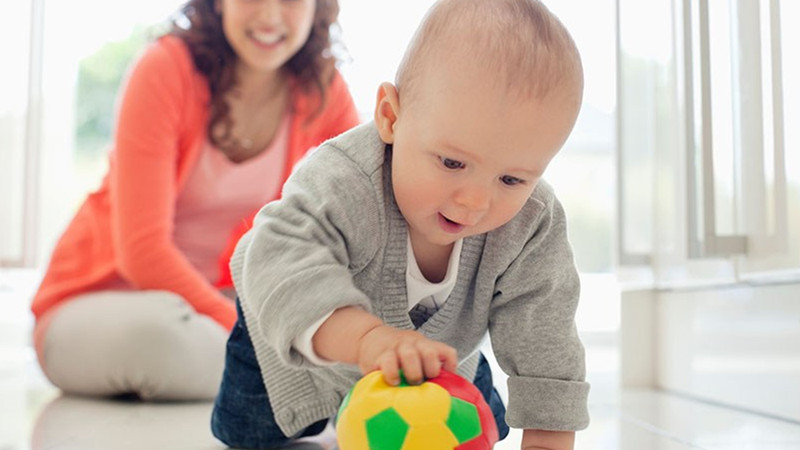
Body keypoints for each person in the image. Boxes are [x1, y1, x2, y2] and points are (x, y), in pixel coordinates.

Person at [212, 0, 589, 448]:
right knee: (247, 433)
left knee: (490, 426)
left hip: (433, 358)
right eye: (452, 162)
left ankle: (448, 370)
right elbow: (276, 255)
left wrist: (548, 436)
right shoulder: (343, 180)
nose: (473, 201)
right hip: (288, 346)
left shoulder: (531, 222)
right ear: (391, 117)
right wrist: (367, 340)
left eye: (512, 178)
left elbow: (545, 329)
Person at [30, 0, 359, 401]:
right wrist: (254, 333)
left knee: (297, 320)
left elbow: (359, 213)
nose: (271, 16)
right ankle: (290, 383)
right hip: (100, 305)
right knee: (164, 334)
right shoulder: (165, 69)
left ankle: (284, 382)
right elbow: (142, 253)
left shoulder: (322, 90)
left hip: (210, 305)